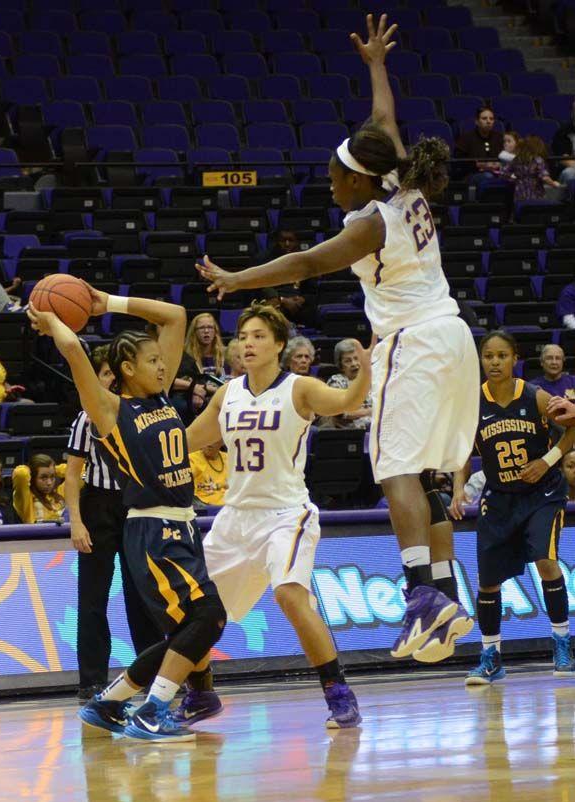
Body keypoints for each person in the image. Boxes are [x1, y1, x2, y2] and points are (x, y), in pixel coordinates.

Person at [196, 14, 480, 663]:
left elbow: (301, 266)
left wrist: (238, 279)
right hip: (454, 334)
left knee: (392, 466)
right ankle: (441, 598)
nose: (330, 184)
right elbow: (383, 122)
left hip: (414, 340)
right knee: (426, 473)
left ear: (358, 180)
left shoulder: (371, 223)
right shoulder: (401, 180)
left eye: (334, 176)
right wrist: (377, 64)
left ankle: (419, 599)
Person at [28, 285, 226, 743]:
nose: (163, 366)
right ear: (127, 369)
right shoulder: (110, 410)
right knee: (209, 617)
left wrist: (106, 301)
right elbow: (75, 351)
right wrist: (55, 321)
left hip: (181, 526)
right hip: (152, 529)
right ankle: (154, 709)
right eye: (152, 360)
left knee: (183, 633)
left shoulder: (160, 399)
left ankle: (109, 703)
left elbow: (176, 314)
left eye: (163, 359)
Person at [178, 301, 371, 729]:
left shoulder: (299, 388)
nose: (248, 343)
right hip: (235, 517)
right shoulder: (228, 393)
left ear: (279, 344)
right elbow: (185, 442)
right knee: (197, 609)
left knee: (289, 595)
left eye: (259, 336)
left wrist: (366, 372)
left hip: (286, 513)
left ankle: (338, 692)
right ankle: (201, 693)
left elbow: (346, 401)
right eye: (243, 336)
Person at [451, 331, 575, 683]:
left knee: (546, 561)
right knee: (488, 582)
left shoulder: (535, 396)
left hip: (543, 494)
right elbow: (463, 451)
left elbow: (572, 427)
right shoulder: (472, 403)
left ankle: (561, 641)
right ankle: (491, 657)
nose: (494, 362)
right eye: (488, 356)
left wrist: (548, 461)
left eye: (501, 356)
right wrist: (460, 487)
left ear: (514, 358)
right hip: (500, 497)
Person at [64, 343, 163, 702]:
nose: (107, 380)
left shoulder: (138, 412)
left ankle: (153, 675)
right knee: (93, 598)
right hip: (98, 507)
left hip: (135, 505)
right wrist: (76, 521)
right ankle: (91, 680)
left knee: (144, 595)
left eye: (110, 374)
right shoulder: (86, 417)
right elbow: (73, 476)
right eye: (101, 374)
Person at [322, 337, 373, 430]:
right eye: (348, 361)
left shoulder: (373, 380)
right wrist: (369, 412)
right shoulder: (336, 381)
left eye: (356, 358)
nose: (354, 363)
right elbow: (339, 413)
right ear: (340, 365)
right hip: (350, 433)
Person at [499, 136, 560, 202]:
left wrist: (515, 179)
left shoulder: (516, 160)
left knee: (522, 210)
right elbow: (544, 177)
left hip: (519, 194)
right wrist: (554, 184)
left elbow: (503, 173)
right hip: (536, 195)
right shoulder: (538, 160)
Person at [12, 454, 66, 524]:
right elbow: (20, 474)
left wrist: (55, 469)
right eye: (43, 477)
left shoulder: (61, 491)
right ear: (33, 477)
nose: (49, 483)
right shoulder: (26, 498)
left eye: (52, 477)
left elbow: (81, 472)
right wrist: (32, 469)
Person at [454, 107, 504, 183]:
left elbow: (508, 157)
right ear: (477, 122)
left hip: (498, 172)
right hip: (473, 174)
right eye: (484, 118)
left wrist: (499, 164)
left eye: (491, 119)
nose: (488, 121)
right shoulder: (466, 138)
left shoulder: (499, 138)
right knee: (488, 176)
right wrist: (477, 165)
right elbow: (459, 162)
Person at [189, 440, 228, 508]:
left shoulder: (229, 459)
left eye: (213, 440)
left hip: (228, 506)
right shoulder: (192, 458)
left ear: (222, 442)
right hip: (202, 507)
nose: (209, 444)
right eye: (206, 439)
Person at [550, 99, 575, 185]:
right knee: (570, 173)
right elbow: (564, 159)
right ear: (572, 113)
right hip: (570, 168)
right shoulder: (563, 133)